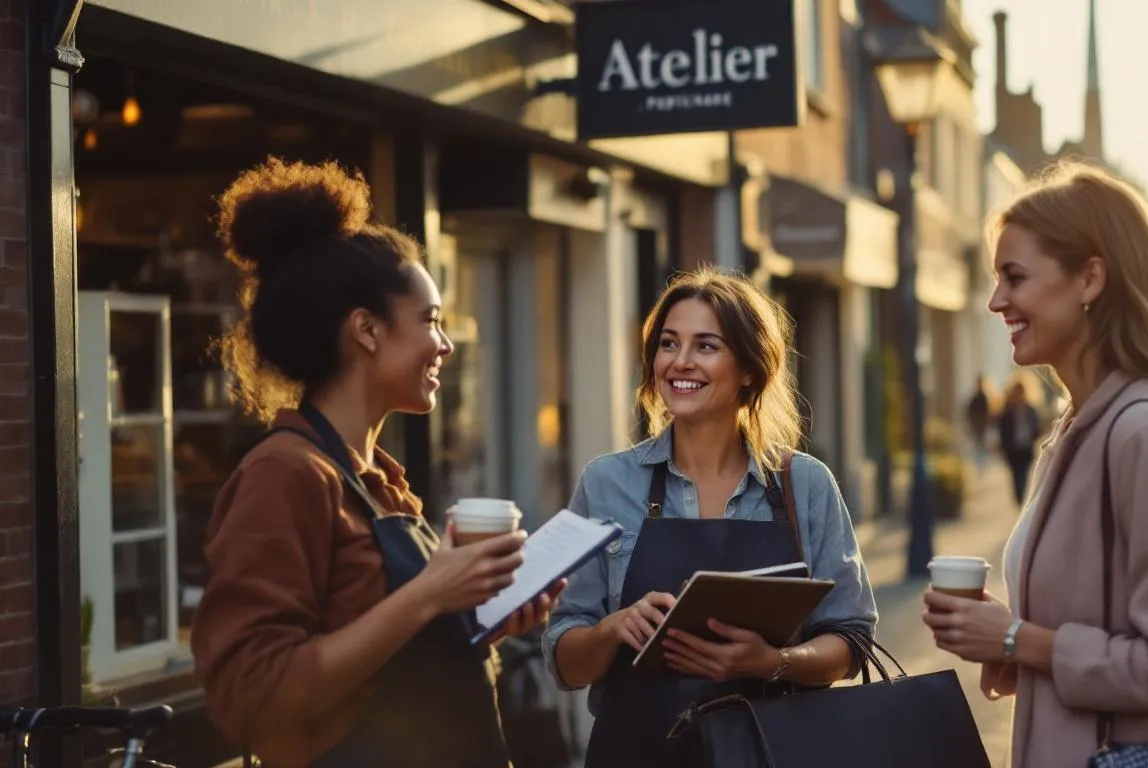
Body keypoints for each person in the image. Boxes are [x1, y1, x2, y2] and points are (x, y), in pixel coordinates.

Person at [191, 158, 559, 768]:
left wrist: (481, 618)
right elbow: (252, 696)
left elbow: (387, 653)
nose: (445, 344)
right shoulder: (285, 474)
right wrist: (428, 596)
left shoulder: (379, 481)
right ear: (366, 331)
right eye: (431, 321)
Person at [921, 162, 1148, 768]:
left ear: (1090, 279)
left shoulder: (1143, 434)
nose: (996, 301)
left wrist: (1020, 639)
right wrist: (1001, 635)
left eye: (1015, 277)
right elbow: (1096, 632)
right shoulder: (1075, 430)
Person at [541, 268, 878, 768]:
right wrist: (612, 629)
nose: (680, 361)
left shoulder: (805, 484)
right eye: (668, 344)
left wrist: (774, 662)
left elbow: (852, 640)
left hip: (767, 755)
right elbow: (565, 664)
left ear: (749, 368)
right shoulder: (606, 482)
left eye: (706, 346)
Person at [996, 374, 1042, 506]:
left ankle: (1022, 497)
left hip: (1026, 448)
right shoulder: (1007, 410)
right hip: (1013, 449)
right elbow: (1002, 430)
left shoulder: (1030, 409)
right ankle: (1018, 499)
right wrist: (1003, 447)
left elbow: (1036, 427)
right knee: (1015, 475)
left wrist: (1034, 436)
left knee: (1024, 474)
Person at [964, 375, 997, 473]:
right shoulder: (975, 398)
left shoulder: (987, 398)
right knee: (978, 448)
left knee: (983, 448)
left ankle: (983, 467)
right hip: (977, 427)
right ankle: (979, 467)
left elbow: (992, 413)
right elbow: (969, 412)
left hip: (985, 427)